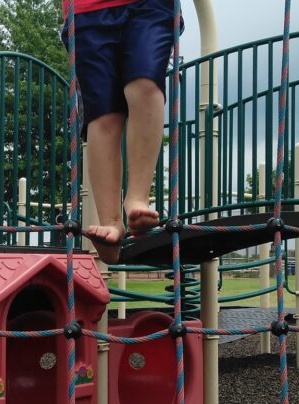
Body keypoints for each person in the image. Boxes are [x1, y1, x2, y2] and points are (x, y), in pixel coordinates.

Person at [62, 0, 182, 264]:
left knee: (145, 84)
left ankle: (138, 197)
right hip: (88, 10)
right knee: (103, 116)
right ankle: (111, 222)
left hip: (150, 5)